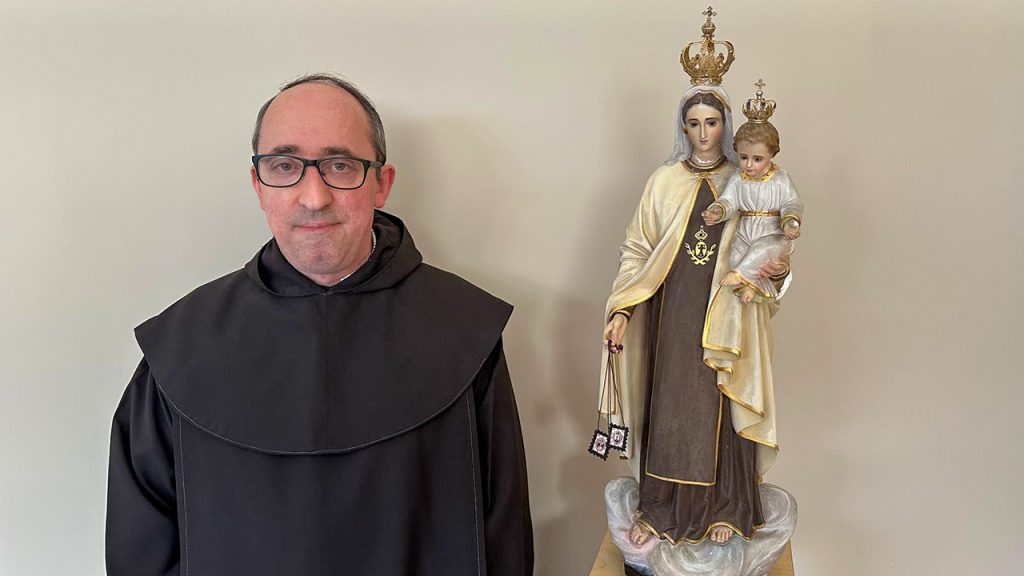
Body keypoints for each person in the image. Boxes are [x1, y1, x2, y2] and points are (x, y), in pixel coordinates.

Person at [105, 74, 533, 576]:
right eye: (285, 166)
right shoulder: (178, 347)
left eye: (340, 165)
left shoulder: (465, 330)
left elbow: (503, 537)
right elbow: (141, 551)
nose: (314, 197)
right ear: (258, 184)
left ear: (381, 184)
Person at [599, 54, 790, 546]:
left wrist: (778, 270)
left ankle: (727, 507)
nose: (703, 134)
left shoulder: (747, 179)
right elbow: (637, 249)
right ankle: (660, 509)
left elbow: (771, 241)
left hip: (728, 313)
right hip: (674, 314)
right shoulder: (664, 182)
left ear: (726, 124)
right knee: (672, 405)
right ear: (682, 127)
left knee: (722, 397)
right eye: (694, 124)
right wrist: (622, 308)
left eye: (712, 123)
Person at [702, 81, 803, 304]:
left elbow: (792, 202)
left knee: (760, 250)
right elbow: (729, 200)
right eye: (743, 157)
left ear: (771, 154)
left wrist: (790, 221)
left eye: (757, 159)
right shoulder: (738, 177)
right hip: (745, 230)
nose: (748, 165)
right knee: (735, 255)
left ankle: (741, 277)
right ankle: (751, 287)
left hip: (773, 234)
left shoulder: (779, 178)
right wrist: (718, 210)